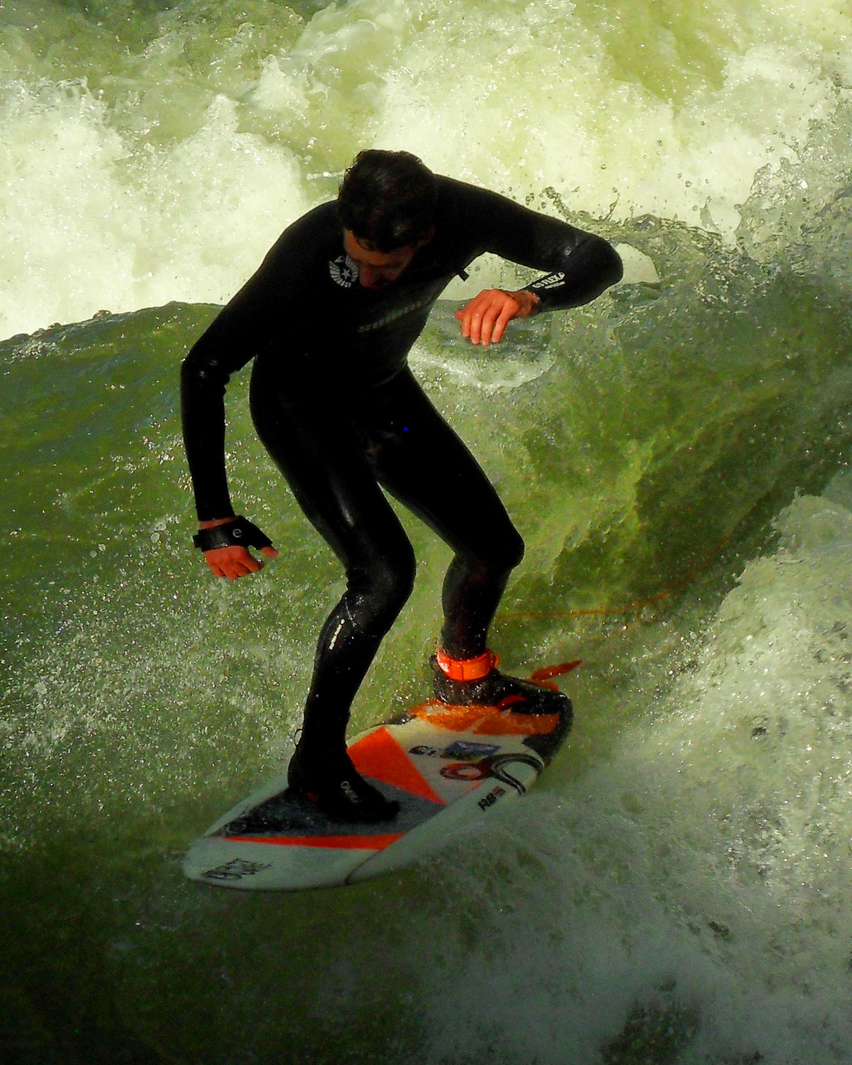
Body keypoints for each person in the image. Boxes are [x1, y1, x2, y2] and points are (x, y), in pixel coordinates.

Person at [181, 149, 622, 823]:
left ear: (424, 238)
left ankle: (464, 676)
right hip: (301, 407)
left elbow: (595, 256)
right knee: (383, 575)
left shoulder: (462, 214)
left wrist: (531, 294)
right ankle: (318, 764)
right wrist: (215, 517)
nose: (365, 278)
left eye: (384, 269)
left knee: (493, 548)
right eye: (355, 259)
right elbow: (206, 366)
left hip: (382, 396)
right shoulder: (309, 248)